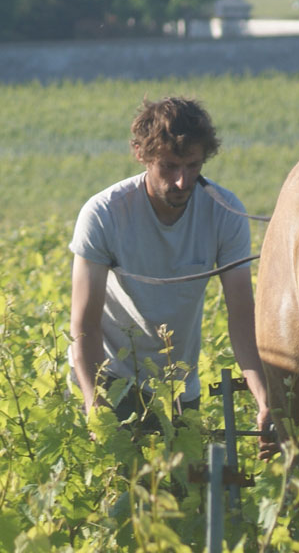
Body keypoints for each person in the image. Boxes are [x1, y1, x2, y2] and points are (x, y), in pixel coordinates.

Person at [68, 96, 269, 438]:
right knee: (121, 490)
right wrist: (93, 403)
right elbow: (84, 322)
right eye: (170, 166)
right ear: (141, 154)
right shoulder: (104, 214)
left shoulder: (224, 212)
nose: (182, 181)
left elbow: (241, 313)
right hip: (108, 378)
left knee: (180, 489)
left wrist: (264, 398)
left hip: (178, 388)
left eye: (192, 166)